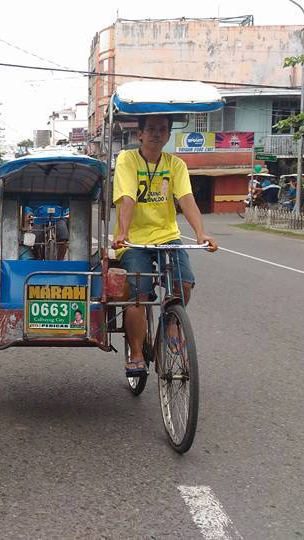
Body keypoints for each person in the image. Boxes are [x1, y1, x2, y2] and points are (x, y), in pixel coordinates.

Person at [111, 114, 216, 375]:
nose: (157, 134)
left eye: (162, 130)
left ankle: (170, 324)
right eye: (151, 129)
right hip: (134, 240)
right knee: (139, 294)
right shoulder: (127, 159)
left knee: (184, 283)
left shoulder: (176, 164)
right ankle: (136, 353)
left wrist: (201, 233)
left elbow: (187, 199)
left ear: (168, 136)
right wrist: (123, 232)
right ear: (141, 135)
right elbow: (127, 197)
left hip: (167, 235)